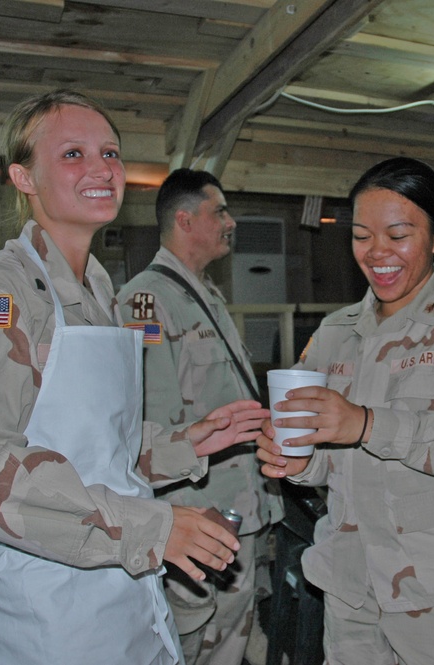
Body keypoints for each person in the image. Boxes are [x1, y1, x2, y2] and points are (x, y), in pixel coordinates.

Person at [0, 89, 268, 665]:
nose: (102, 169)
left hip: (124, 592)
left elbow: (89, 448)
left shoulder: (98, 292)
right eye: (73, 154)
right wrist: (149, 527)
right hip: (47, 609)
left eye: (111, 153)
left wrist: (183, 444)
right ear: (24, 177)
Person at [255, 157, 434, 665]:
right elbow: (322, 456)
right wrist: (295, 461)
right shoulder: (336, 331)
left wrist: (364, 423)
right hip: (349, 585)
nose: (377, 252)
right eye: (361, 236)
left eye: (398, 234)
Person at [117, 169, 283, 664]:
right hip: (199, 510)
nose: (231, 222)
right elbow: (151, 429)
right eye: (221, 211)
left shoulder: (205, 294)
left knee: (233, 633)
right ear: (185, 220)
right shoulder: (146, 301)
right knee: (194, 640)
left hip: (237, 503)